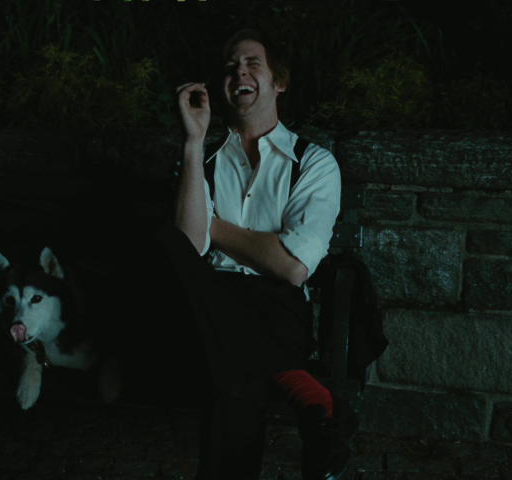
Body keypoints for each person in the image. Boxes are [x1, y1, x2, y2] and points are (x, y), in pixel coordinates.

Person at [128, 29, 351, 480]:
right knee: (169, 244)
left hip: (277, 310)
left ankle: (303, 393)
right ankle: (306, 394)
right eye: (230, 67)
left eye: (252, 63)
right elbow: (187, 249)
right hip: (210, 299)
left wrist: (214, 226)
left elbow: (293, 266)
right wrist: (193, 142)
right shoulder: (204, 162)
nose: (240, 72)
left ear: (278, 82)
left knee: (231, 374)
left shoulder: (313, 163)